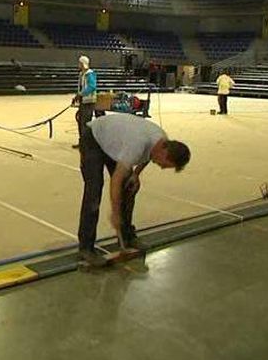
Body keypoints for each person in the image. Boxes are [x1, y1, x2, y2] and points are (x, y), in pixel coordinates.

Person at [78, 113, 191, 267]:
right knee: (94, 192)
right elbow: (116, 181)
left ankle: (127, 236)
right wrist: (115, 213)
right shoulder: (137, 145)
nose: (163, 167)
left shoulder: (161, 141)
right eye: (166, 164)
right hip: (94, 138)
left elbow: (149, 157)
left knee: (129, 187)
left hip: (116, 141)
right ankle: (86, 247)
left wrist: (135, 175)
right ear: (164, 152)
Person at [72, 55, 105, 149]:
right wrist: (77, 96)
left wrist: (81, 94)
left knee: (85, 123)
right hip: (83, 101)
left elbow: (92, 87)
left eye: (79, 63)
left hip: (89, 102)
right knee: (81, 122)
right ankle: (82, 142)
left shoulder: (90, 74)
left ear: (83, 63)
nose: (78, 64)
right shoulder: (82, 74)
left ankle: (86, 143)